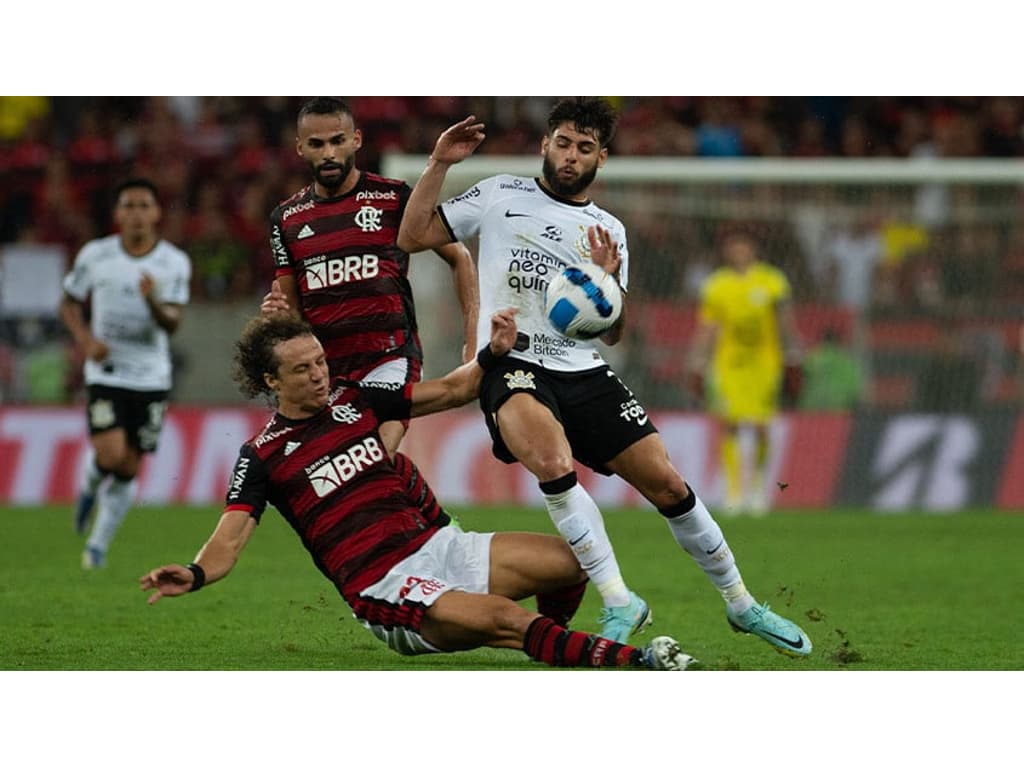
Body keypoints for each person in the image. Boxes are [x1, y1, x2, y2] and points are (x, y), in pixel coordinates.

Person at [397, 97, 811, 656]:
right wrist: (439, 163)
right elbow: (412, 235)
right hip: (510, 360)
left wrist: (606, 284)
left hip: (582, 369)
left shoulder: (607, 229)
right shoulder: (499, 194)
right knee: (552, 462)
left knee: (667, 483)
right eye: (563, 143)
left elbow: (613, 334)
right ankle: (618, 599)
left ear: (602, 158)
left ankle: (741, 603)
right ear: (545, 143)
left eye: (585, 148)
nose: (571, 157)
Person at [139, 311, 693, 671]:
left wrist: (495, 353)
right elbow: (229, 540)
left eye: (320, 362)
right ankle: (641, 664)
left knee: (577, 562)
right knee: (507, 618)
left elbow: (453, 389)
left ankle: (556, 645)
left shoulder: (357, 400)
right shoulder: (262, 455)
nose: (317, 374)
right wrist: (192, 573)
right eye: (302, 369)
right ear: (270, 381)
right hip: (391, 586)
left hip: (445, 546)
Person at [261, 96, 479, 458]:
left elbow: (460, 256)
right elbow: (291, 313)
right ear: (300, 148)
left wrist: (472, 340)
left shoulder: (392, 199)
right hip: (327, 372)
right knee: (357, 484)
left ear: (356, 140)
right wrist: (276, 316)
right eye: (317, 144)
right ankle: (437, 519)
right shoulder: (286, 219)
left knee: (365, 461)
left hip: (390, 359)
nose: (329, 152)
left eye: (337, 141)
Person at [60, 177, 191, 569]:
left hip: (151, 376)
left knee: (131, 466)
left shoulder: (173, 262)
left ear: (156, 213)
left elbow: (172, 323)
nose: (136, 213)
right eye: (128, 205)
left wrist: (152, 300)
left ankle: (97, 545)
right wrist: (86, 342)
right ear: (118, 214)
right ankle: (88, 488)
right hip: (106, 372)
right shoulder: (95, 255)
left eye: (143, 205)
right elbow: (68, 303)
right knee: (112, 454)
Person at [687, 229, 804, 516]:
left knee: (762, 425)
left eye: (743, 246)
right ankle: (734, 491)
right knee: (731, 424)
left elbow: (784, 320)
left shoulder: (772, 280)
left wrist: (793, 352)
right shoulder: (717, 285)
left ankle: (758, 487)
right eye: (733, 246)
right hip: (729, 364)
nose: (739, 251)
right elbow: (709, 326)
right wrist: (697, 359)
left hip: (764, 362)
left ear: (753, 248)